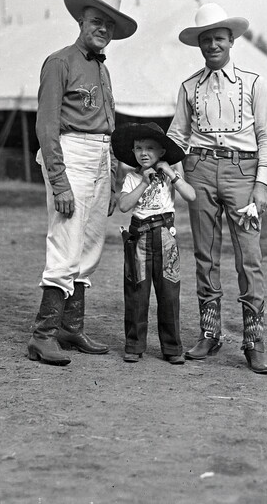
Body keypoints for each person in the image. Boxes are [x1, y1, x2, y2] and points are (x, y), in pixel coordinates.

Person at [27, 0, 137, 366]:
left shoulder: (102, 68)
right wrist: (58, 180)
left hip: (99, 157)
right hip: (70, 154)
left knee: (90, 245)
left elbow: (106, 128)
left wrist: (112, 179)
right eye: (96, 21)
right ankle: (42, 336)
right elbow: (46, 125)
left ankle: (70, 328)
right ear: (80, 21)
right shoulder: (60, 62)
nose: (102, 28)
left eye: (109, 24)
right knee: (65, 240)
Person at [167, 3, 267, 374]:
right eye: (206, 40)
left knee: (249, 256)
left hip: (242, 172)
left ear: (231, 40)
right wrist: (176, 174)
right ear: (199, 45)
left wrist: (261, 184)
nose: (213, 45)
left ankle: (254, 340)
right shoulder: (188, 87)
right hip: (198, 170)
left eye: (219, 38)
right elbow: (176, 136)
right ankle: (210, 333)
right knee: (204, 252)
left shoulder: (254, 83)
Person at [112, 122, 196, 364]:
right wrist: (143, 183)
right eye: (138, 148)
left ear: (161, 153)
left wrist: (171, 173)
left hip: (165, 237)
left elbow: (190, 195)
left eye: (150, 148)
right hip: (139, 238)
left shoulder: (170, 178)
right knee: (137, 291)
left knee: (169, 293)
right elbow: (125, 205)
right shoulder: (132, 177)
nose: (144, 153)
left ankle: (171, 348)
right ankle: (134, 345)